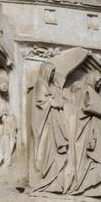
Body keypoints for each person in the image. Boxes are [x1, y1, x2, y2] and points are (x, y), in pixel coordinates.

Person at [29, 62, 69, 193]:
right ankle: (46, 180)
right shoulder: (40, 84)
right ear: (45, 72)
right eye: (51, 72)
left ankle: (56, 182)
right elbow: (41, 102)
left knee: (55, 152)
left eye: (53, 72)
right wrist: (54, 102)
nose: (52, 74)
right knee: (46, 150)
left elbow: (60, 100)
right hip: (46, 124)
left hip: (55, 124)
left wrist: (59, 101)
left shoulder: (52, 87)